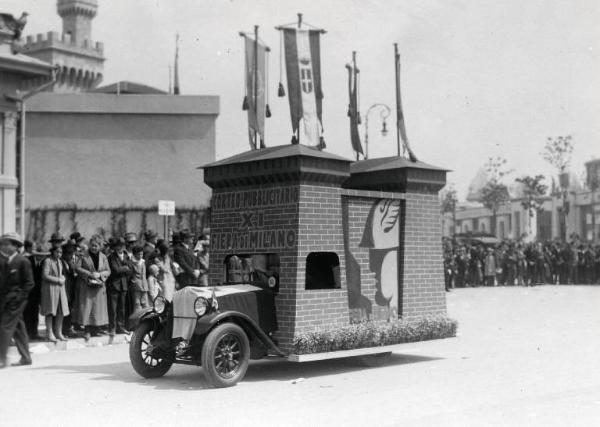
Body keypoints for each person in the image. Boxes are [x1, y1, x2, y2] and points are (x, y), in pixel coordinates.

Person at [0, 233, 35, 368]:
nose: (3, 246)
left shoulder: (22, 261)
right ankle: (26, 358)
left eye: (7, 244)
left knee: (4, 327)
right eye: (3, 244)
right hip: (5, 300)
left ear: (15, 246)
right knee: (18, 328)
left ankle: (2, 358)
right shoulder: (5, 261)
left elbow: (29, 283)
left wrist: (18, 298)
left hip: (16, 301)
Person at [74, 235, 110, 341]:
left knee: (97, 309)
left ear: (100, 246)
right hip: (87, 286)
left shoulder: (103, 257)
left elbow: (108, 271)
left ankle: (95, 329)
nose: (94, 248)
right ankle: (87, 330)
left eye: (96, 246)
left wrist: (100, 275)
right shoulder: (83, 256)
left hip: (98, 286)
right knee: (87, 308)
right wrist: (89, 274)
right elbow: (77, 268)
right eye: (92, 245)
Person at [40, 246, 70, 342]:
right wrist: (58, 280)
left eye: (61, 252)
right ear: (52, 252)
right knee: (50, 312)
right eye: (57, 252)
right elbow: (45, 275)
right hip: (50, 289)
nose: (59, 254)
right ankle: (49, 333)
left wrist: (63, 278)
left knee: (60, 312)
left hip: (60, 290)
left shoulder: (60, 262)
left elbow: (61, 274)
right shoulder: (48, 261)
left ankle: (59, 332)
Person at [106, 238, 131, 335]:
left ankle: (120, 327)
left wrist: (124, 269)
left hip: (123, 285)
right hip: (114, 285)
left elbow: (130, 269)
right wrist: (125, 268)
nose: (120, 247)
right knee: (113, 308)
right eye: (118, 245)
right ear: (115, 247)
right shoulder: (111, 257)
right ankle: (112, 328)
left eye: (122, 245)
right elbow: (115, 270)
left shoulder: (126, 256)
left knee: (122, 308)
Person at [22, 240, 42, 340]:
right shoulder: (24, 258)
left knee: (34, 312)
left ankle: (34, 332)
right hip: (27, 291)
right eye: (33, 247)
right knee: (27, 313)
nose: (35, 249)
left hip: (35, 291)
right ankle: (27, 333)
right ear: (28, 248)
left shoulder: (33, 258)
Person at [129, 245, 149, 311]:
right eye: (139, 254)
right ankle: (138, 319)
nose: (141, 256)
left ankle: (147, 318)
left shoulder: (143, 262)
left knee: (145, 303)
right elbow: (130, 274)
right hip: (136, 285)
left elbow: (144, 274)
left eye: (142, 254)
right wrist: (134, 281)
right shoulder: (131, 262)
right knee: (137, 303)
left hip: (144, 285)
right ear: (134, 254)